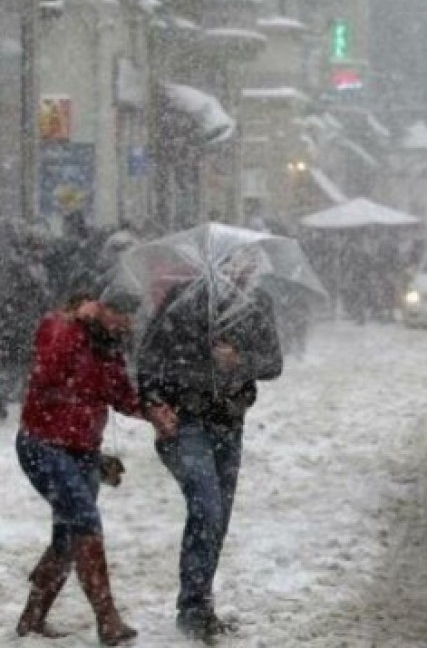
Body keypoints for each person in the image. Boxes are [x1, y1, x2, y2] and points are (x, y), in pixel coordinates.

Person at [15, 286, 177, 644]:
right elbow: (48, 371)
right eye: (119, 315)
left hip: (83, 451)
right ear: (99, 308)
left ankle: (32, 618)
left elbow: (120, 395)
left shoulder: (109, 350)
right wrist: (76, 325)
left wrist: (151, 412)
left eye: (129, 319)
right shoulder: (58, 327)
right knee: (85, 523)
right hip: (44, 445)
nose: (125, 323)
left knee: (68, 537)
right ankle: (108, 618)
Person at [136, 254, 283, 641]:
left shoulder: (256, 304)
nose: (237, 270)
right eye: (228, 262)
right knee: (207, 506)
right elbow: (148, 356)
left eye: (242, 263)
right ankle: (193, 608)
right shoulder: (183, 301)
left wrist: (239, 360)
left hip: (229, 423)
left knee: (218, 517)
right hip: (186, 422)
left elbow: (273, 362)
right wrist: (152, 402)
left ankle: (200, 603)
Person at [0, 223, 51, 420]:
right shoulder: (22, 267)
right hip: (19, 323)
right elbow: (32, 297)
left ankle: (17, 401)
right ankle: (20, 401)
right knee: (18, 366)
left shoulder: (30, 267)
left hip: (19, 323)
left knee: (17, 366)